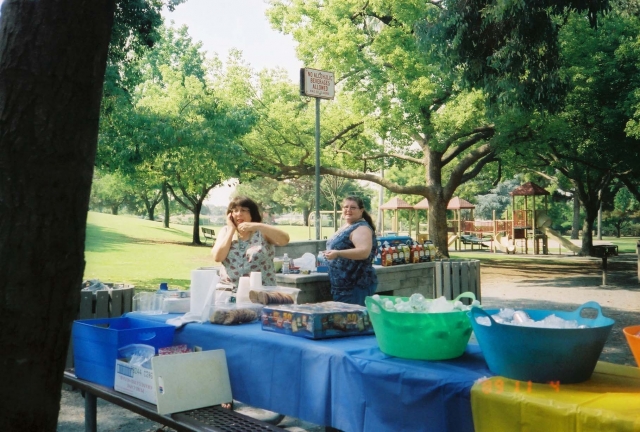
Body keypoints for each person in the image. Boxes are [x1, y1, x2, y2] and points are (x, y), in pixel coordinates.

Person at [212, 196, 290, 288]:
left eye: (243, 210)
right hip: (230, 291)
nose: (239, 214)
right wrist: (231, 230)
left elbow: (284, 240)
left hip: (261, 292)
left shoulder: (262, 231)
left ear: (252, 213)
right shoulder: (225, 231)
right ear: (230, 214)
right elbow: (218, 257)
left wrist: (258, 226)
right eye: (235, 210)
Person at [324, 196, 378, 306]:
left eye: (353, 207)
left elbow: (364, 252)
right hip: (342, 287)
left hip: (355, 287)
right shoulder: (347, 226)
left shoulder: (362, 228)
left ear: (361, 210)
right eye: (345, 207)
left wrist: (338, 253)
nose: (348, 210)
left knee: (353, 322)